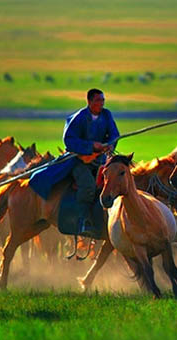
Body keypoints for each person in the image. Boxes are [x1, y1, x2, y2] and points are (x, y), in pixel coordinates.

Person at [63, 88, 120, 235]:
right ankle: (83, 221)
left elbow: (114, 134)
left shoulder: (106, 115)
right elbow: (69, 140)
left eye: (103, 100)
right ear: (89, 102)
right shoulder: (80, 117)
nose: (101, 103)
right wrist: (91, 146)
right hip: (79, 161)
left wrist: (109, 145)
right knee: (88, 186)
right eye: (97, 100)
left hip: (100, 159)